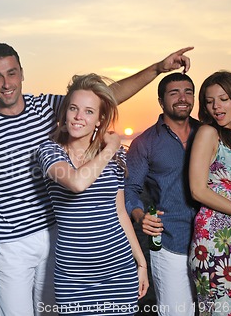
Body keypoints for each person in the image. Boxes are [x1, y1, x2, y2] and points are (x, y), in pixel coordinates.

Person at [0, 42, 193, 316]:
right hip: (10, 241)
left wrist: (157, 69)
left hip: (55, 233)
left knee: (51, 312)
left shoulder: (46, 106)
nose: (6, 83)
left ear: (21, 73)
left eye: (11, 73)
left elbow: (103, 96)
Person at [36, 74, 149, 315]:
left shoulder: (116, 159)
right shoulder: (49, 152)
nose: (79, 117)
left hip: (119, 272)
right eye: (74, 109)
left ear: (99, 119)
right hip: (74, 279)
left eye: (89, 111)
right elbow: (77, 183)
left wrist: (141, 261)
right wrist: (111, 147)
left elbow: (120, 213)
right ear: (64, 113)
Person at [125, 72, 200, 315]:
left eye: (188, 92)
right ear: (161, 100)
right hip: (169, 243)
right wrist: (139, 215)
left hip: (211, 240)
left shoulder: (208, 133)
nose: (183, 98)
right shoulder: (144, 142)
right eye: (174, 92)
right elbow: (130, 189)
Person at [188, 71, 231, 315]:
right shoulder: (208, 133)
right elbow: (197, 190)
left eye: (223, 99)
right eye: (210, 101)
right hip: (215, 240)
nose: (216, 107)